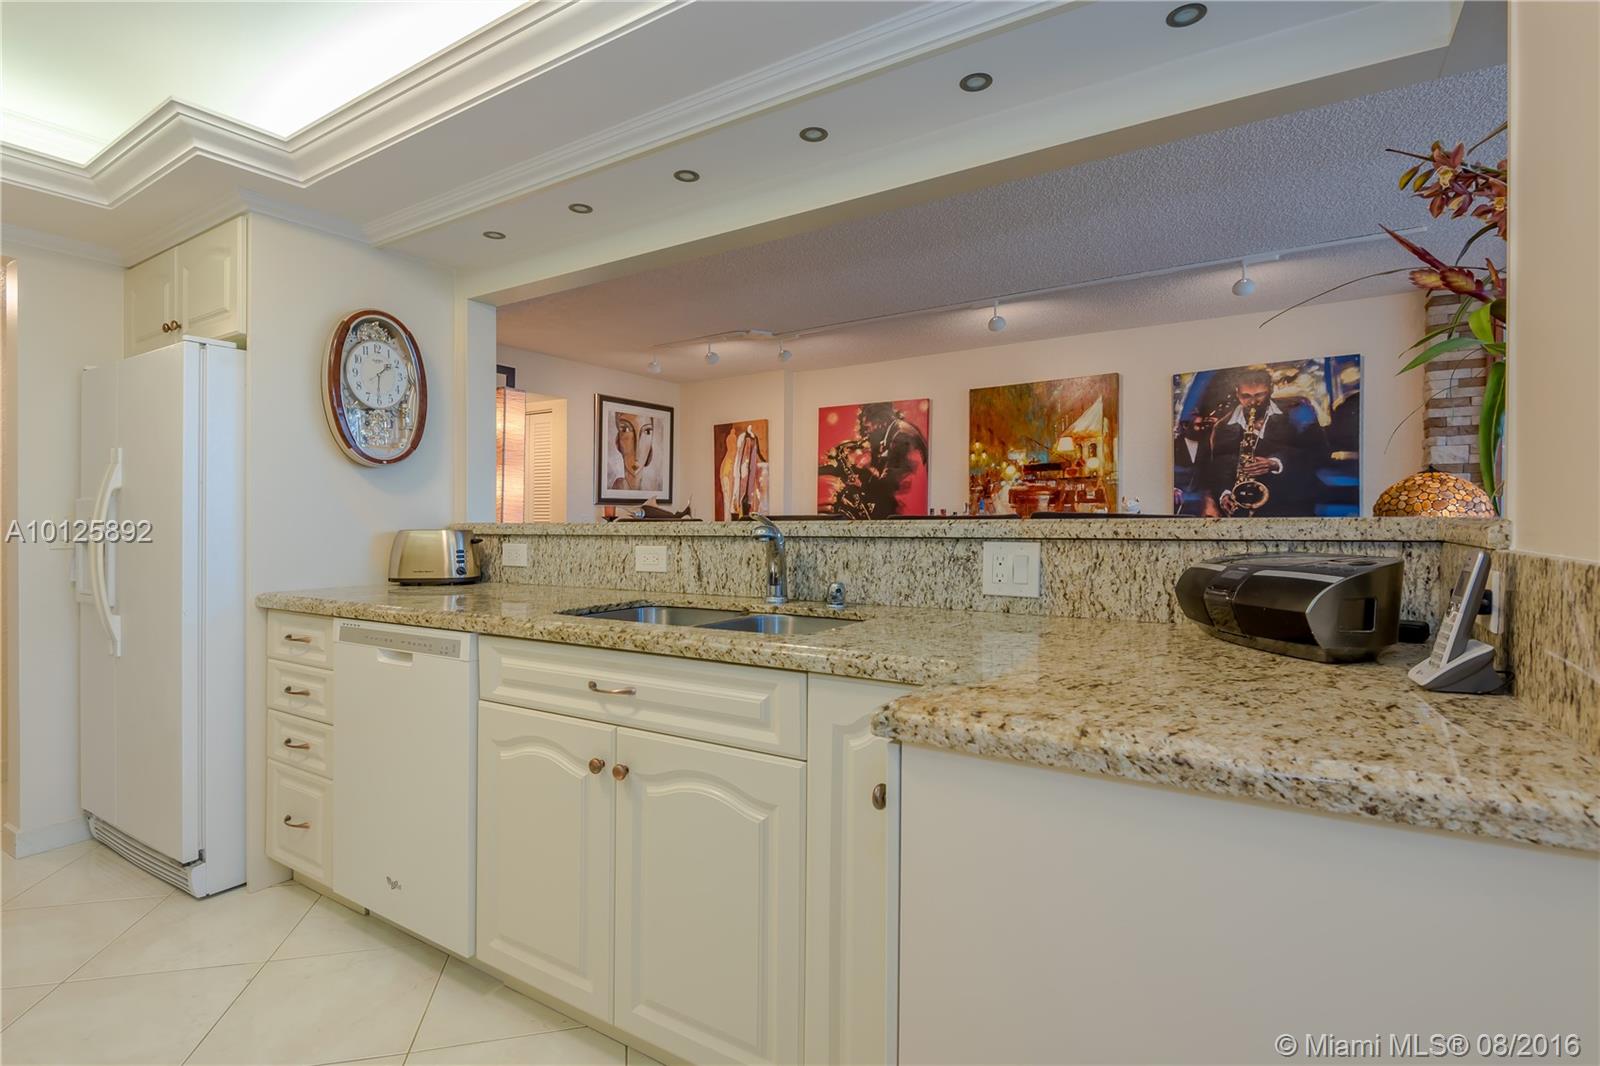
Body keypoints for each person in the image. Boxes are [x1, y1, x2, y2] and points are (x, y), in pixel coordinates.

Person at [1200, 369, 1329, 517]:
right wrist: (1225, 493)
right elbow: (1219, 466)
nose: (1253, 402)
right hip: (1245, 507)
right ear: (1237, 394)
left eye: (1259, 395)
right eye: (1246, 396)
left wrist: (1276, 462)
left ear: (1271, 390)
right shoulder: (1222, 427)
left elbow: (1319, 453)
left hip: (1292, 503)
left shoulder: (1298, 412)